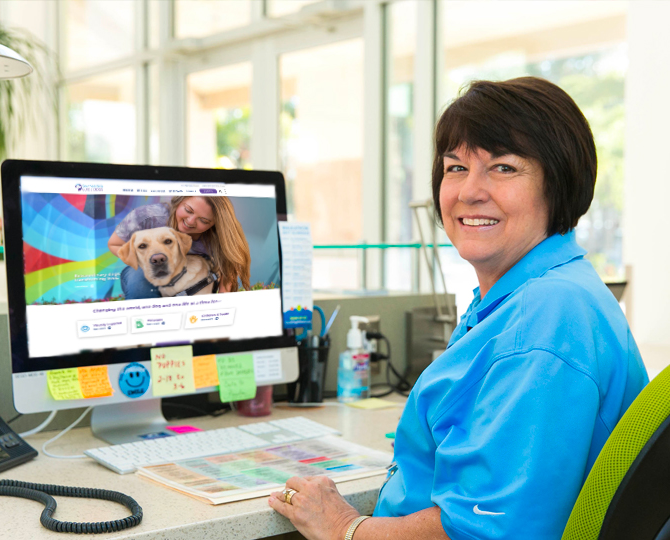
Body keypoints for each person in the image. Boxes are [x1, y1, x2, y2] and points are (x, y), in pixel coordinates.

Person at [268, 77, 648, 540]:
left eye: (504, 168)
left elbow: (481, 533)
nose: (469, 191)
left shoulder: (546, 318)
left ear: (559, 182)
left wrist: (346, 527)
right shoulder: (525, 294)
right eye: (455, 168)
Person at [107, 195, 251, 298]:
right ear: (179, 200)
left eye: (204, 220)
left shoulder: (219, 236)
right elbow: (114, 243)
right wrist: (146, 263)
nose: (190, 221)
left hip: (195, 283)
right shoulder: (147, 216)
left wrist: (223, 299)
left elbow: (230, 268)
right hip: (147, 277)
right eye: (188, 210)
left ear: (214, 224)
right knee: (138, 279)